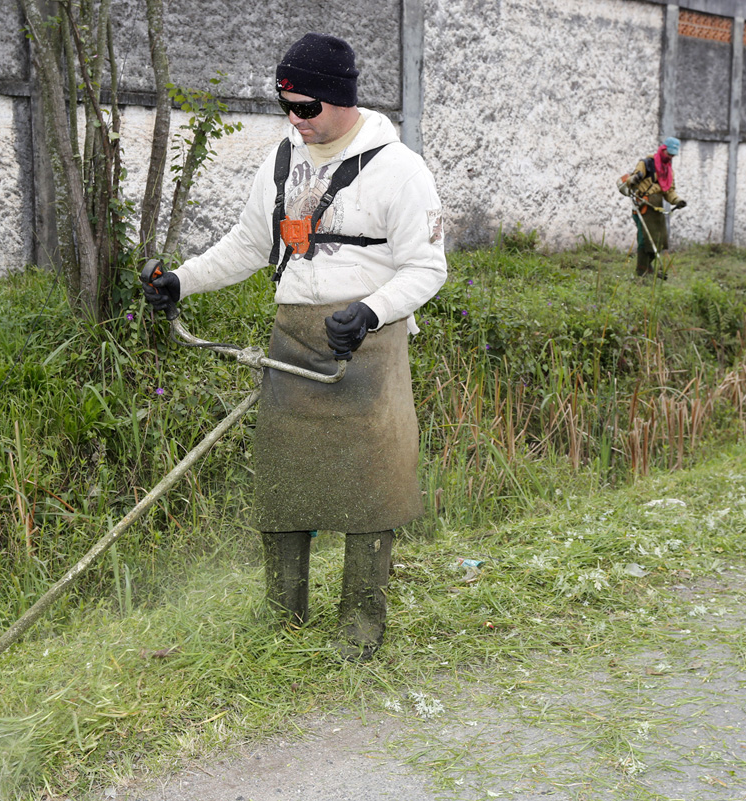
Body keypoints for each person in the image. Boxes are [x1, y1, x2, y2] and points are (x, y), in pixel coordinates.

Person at [143, 32, 447, 661]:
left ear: (339, 100)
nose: (294, 119)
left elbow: (427, 268)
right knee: (283, 482)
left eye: (305, 107)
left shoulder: (399, 169)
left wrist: (370, 309)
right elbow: (249, 246)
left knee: (371, 487)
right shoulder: (283, 160)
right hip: (292, 343)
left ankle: (361, 627)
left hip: (366, 346)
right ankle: (284, 620)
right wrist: (182, 280)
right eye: (286, 105)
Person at [618, 136, 688, 278]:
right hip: (642, 204)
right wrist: (635, 179)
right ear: (663, 150)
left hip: (656, 208)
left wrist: (678, 200)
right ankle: (641, 271)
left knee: (659, 239)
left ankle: (647, 267)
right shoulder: (646, 164)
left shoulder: (669, 171)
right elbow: (631, 180)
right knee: (645, 239)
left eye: (673, 155)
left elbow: (669, 191)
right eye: (669, 154)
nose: (670, 158)